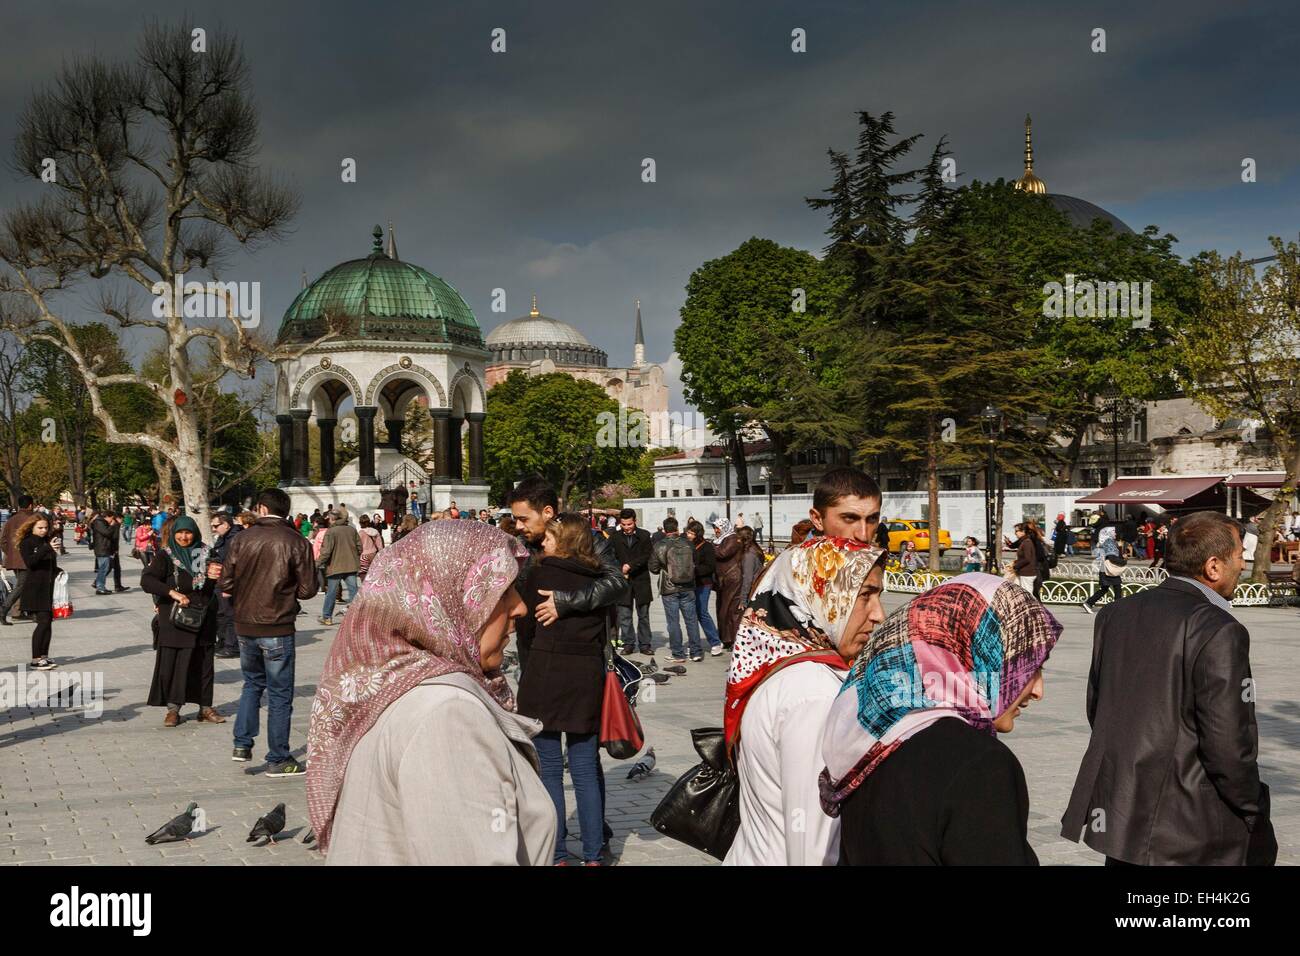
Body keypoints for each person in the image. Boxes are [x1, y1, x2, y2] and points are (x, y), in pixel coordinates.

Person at [308, 520, 556, 864]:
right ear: (452, 600)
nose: (520, 608)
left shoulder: (395, 685)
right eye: (502, 593)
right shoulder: (448, 714)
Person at [1061, 511, 1277, 865]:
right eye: (1240, 554)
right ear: (1213, 566)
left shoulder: (1116, 614)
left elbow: (1098, 708)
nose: (1244, 562)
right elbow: (1227, 743)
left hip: (1125, 819)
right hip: (1193, 831)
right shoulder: (1219, 629)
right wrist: (1252, 807)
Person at [822, 573, 1063, 865]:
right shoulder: (979, 763)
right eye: (1028, 665)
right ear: (984, 651)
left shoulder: (872, 745)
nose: (1038, 690)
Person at [723, 536, 887, 866]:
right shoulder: (814, 694)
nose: (878, 615)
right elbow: (814, 843)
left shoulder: (785, 669)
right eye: (864, 596)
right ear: (817, 597)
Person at [515, 513, 610, 865]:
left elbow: (524, 627)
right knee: (585, 767)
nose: (544, 543)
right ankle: (593, 852)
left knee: (551, 768)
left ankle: (555, 853)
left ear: (565, 541)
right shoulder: (597, 580)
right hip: (585, 673)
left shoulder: (541, 574)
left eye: (551, 538)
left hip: (545, 672)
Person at [217, 488, 318, 776]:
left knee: (252, 683)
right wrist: (289, 591)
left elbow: (226, 581)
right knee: (279, 693)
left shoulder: (241, 539)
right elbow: (309, 589)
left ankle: (242, 742)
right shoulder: (296, 541)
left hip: (245, 623)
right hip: (277, 623)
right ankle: (278, 757)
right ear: (286, 510)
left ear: (261, 508)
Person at [505, 476, 628, 676]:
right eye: (515, 519)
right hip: (532, 657)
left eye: (523, 519)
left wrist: (567, 601)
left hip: (581, 658)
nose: (518, 526)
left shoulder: (589, 540)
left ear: (547, 512)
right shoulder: (520, 547)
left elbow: (617, 583)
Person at [141, 515, 224, 727]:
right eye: (180, 533)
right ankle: (173, 709)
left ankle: (205, 708)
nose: (184, 537)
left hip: (203, 616)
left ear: (194, 533)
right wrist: (172, 593)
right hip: (175, 619)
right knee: (174, 665)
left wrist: (215, 576)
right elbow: (147, 580)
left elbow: (210, 587)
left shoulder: (205, 552)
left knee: (204, 664)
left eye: (188, 533)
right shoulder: (165, 555)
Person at [649, 516, 702, 663]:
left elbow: (653, 568)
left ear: (664, 529)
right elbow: (695, 562)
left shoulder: (659, 545)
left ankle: (678, 654)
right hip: (688, 586)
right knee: (691, 620)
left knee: (673, 622)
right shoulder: (688, 543)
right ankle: (696, 652)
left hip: (669, 588)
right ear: (677, 528)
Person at [608, 508, 653, 655]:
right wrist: (618, 568)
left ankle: (645, 644)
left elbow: (647, 555)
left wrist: (630, 566)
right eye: (624, 525)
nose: (626, 528)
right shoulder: (614, 537)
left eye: (629, 524)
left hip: (641, 580)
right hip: (623, 582)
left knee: (643, 616)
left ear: (635, 521)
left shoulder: (645, 535)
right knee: (625, 616)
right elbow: (609, 556)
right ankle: (628, 644)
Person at [17, 514, 60, 670]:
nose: (43, 531)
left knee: (48, 622)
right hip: (35, 587)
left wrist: (59, 572)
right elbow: (31, 563)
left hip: (48, 586)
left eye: (45, 528)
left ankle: (44, 656)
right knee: (42, 622)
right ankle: (35, 659)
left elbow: (50, 564)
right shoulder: (26, 542)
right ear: (32, 527)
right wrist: (46, 548)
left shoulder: (45, 541)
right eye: (40, 528)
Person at [809, 467, 883, 546]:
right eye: (850, 518)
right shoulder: (797, 556)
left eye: (872, 519)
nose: (863, 536)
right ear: (817, 520)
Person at [684, 520, 723, 656]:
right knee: (691, 614)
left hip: (703, 583)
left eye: (691, 533)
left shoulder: (706, 547)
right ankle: (694, 643)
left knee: (702, 612)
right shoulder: (686, 544)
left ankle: (715, 642)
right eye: (688, 532)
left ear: (698, 534)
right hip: (689, 583)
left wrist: (694, 570)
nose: (688, 535)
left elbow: (710, 566)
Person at [318, 512, 362, 626]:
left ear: (332, 519)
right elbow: (359, 547)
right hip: (351, 565)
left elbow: (326, 551)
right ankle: (357, 617)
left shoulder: (331, 531)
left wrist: (317, 563)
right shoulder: (351, 530)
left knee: (331, 593)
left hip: (335, 566)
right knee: (354, 592)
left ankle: (327, 617)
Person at [0, 495, 37, 625]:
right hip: (27, 559)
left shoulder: (11, 519)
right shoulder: (32, 519)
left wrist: (11, 553)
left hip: (14, 559)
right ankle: (4, 610)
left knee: (23, 585)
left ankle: (19, 612)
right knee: (23, 586)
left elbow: (3, 540)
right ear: (31, 505)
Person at [209, 512, 241, 659]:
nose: (214, 529)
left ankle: (232, 646)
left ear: (226, 524)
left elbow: (232, 563)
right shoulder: (223, 538)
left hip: (229, 583)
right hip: (220, 581)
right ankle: (222, 642)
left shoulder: (234, 539)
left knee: (229, 615)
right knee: (221, 614)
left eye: (216, 525)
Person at [712, 518, 743, 649]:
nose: (715, 530)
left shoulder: (732, 538)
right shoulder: (721, 540)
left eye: (717, 528)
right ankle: (725, 637)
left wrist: (710, 547)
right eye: (715, 528)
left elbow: (722, 553)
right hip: (723, 579)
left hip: (732, 578)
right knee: (722, 608)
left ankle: (733, 638)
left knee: (730, 609)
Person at [1081, 525, 1124, 613]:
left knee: (1105, 588)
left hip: (1105, 569)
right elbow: (1112, 556)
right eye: (1113, 532)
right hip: (1109, 569)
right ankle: (1118, 607)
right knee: (1117, 587)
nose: (1115, 533)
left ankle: (1089, 603)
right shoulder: (1109, 542)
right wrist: (1122, 560)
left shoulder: (1107, 541)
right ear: (1109, 533)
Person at [734, 526, 765, 609]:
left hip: (751, 593)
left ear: (744, 539)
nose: (737, 541)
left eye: (738, 538)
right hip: (755, 590)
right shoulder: (754, 549)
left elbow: (747, 578)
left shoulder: (749, 555)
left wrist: (743, 600)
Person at [91, 510, 119, 594]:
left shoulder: (101, 522)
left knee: (104, 568)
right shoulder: (99, 522)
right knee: (103, 569)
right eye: (112, 518)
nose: (112, 520)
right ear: (108, 516)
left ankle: (100, 586)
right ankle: (100, 587)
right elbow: (107, 533)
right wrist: (112, 526)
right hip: (102, 548)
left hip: (105, 547)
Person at [1010, 523, 1037, 593]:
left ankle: (1031, 604)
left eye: (1016, 531)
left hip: (1027, 573)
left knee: (1027, 595)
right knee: (1019, 593)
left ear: (1023, 532)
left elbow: (1027, 559)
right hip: (1023, 572)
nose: (1015, 533)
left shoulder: (1027, 542)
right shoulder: (1024, 541)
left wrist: (1016, 565)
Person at [357, 513, 384, 580]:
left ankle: (365, 588)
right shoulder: (375, 531)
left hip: (364, 555)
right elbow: (380, 545)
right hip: (373, 554)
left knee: (363, 575)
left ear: (360, 523)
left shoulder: (360, 533)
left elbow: (358, 546)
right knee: (374, 574)